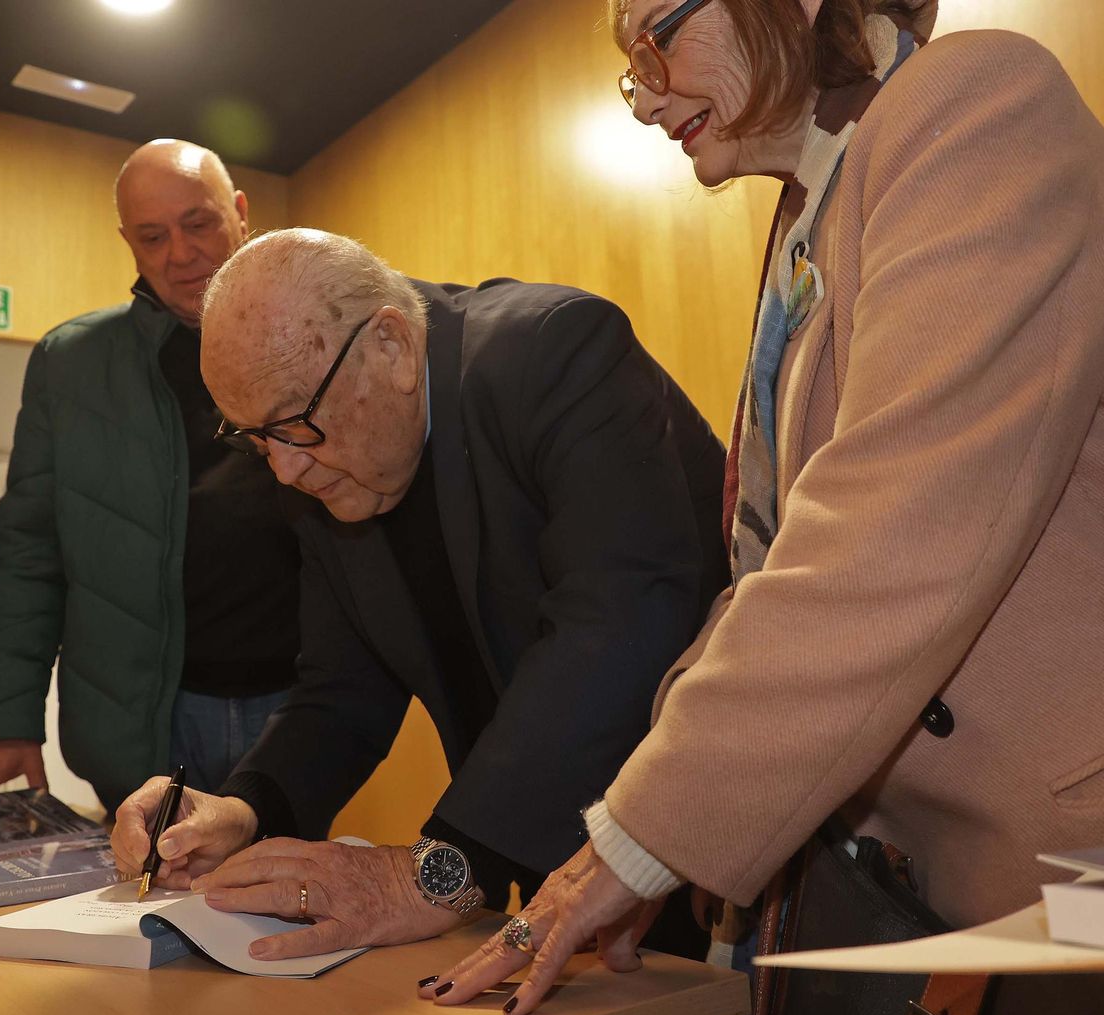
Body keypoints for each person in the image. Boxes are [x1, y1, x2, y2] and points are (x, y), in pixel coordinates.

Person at [427, 0, 1104, 1015]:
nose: (640, 95)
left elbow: (894, 526)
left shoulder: (975, 98)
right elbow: (773, 559)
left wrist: (644, 833)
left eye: (653, 36)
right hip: (924, 873)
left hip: (1098, 866)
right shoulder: (816, 208)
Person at [110, 228, 731, 962]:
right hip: (534, 858)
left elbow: (619, 622)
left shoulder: (555, 353)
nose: (283, 470)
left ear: (393, 348)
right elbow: (342, 687)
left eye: (293, 425)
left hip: (700, 840)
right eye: (255, 439)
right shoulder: (324, 458)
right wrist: (244, 808)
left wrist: (437, 870)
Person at [0, 140, 301, 815]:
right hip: (139, 724)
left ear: (240, 213)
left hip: (297, 715)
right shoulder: (71, 363)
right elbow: (29, 554)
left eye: (198, 224)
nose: (179, 253)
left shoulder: (310, 338)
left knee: (283, 906)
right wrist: (6, 718)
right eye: (152, 236)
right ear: (127, 242)